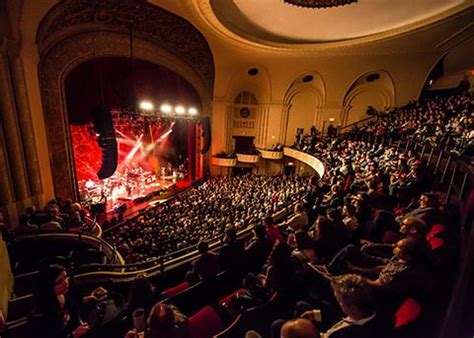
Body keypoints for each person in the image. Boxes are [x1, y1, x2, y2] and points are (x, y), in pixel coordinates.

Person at [29, 265, 90, 338]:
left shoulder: (61, 294)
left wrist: (91, 296)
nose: (66, 282)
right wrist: (74, 334)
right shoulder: (41, 315)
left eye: (66, 277)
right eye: (59, 282)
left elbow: (71, 304)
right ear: (49, 286)